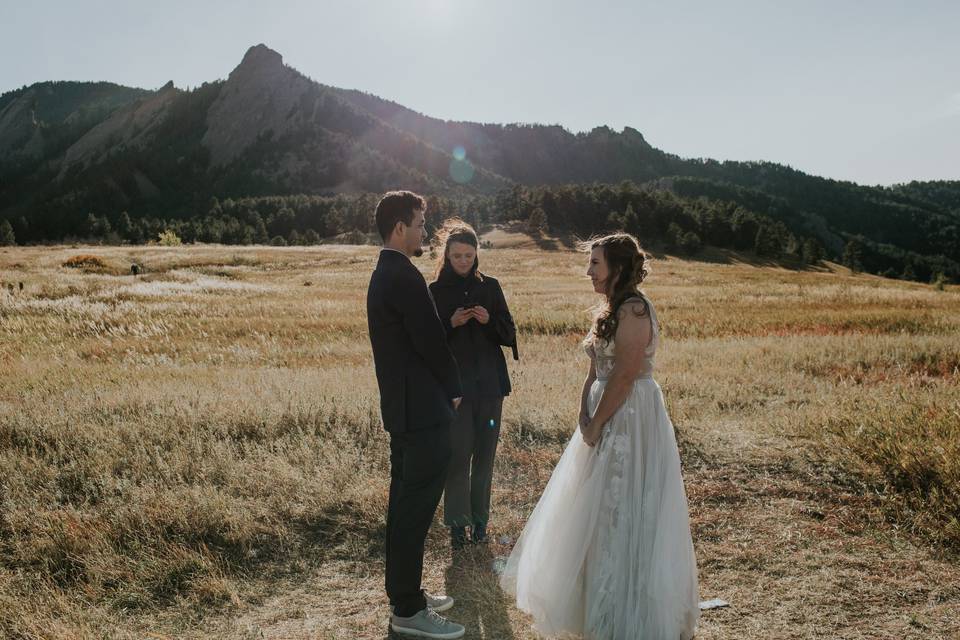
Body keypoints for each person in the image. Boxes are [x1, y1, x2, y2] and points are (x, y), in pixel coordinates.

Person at [499, 233, 700, 639]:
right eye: (589, 262)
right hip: (603, 412)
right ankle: (597, 603)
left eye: (595, 263)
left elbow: (625, 376)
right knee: (594, 507)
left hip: (629, 418)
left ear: (619, 268)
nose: (588, 270)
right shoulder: (609, 308)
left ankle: (627, 612)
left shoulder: (635, 309)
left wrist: (596, 424)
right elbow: (597, 370)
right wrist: (582, 410)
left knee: (622, 504)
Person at [366, 191, 466, 639]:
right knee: (414, 512)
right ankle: (407, 610)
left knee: (404, 509)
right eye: (421, 224)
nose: (425, 231)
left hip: (403, 411)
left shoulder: (383, 272)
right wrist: (456, 390)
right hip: (424, 413)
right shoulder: (404, 275)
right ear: (400, 227)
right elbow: (431, 342)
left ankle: (407, 595)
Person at [428, 218, 517, 549]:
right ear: (446, 256)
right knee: (457, 457)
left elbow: (509, 334)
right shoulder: (435, 292)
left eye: (469, 255)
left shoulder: (491, 287)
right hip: (456, 392)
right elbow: (427, 343)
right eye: (457, 256)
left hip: (491, 388)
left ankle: (480, 523)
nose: (463, 261)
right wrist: (449, 324)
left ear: (477, 254)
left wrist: (489, 321)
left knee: (485, 457)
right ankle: (456, 525)